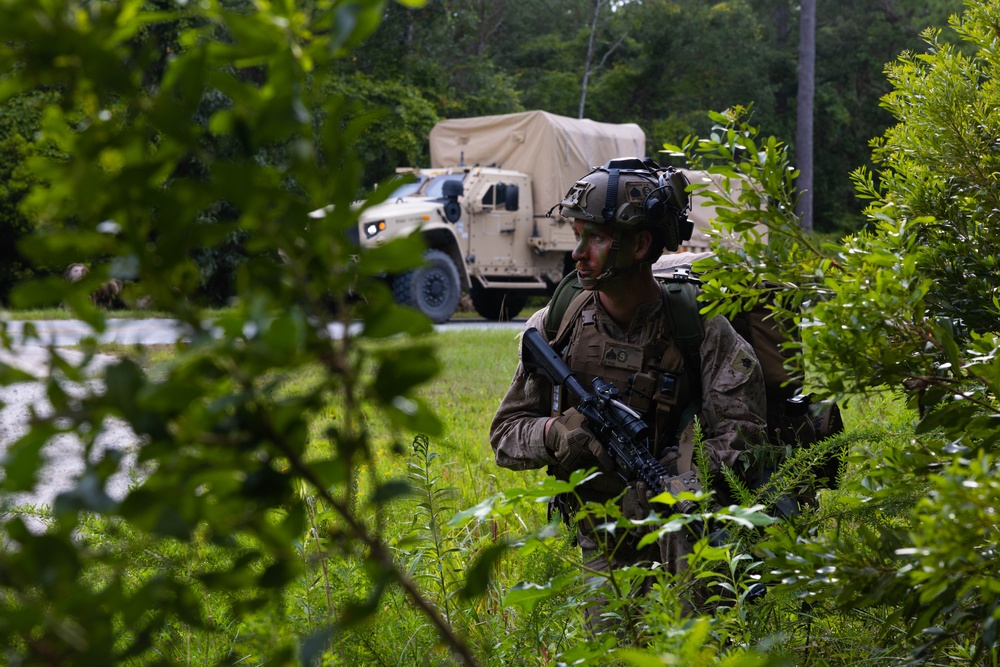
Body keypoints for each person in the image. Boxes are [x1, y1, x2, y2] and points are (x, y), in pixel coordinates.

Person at [488, 157, 767, 615]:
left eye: (595, 238)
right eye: (578, 236)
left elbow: (745, 435)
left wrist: (680, 483)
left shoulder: (702, 330)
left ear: (640, 245)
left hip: (686, 536)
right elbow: (505, 434)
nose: (578, 253)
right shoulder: (557, 325)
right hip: (604, 538)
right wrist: (556, 434)